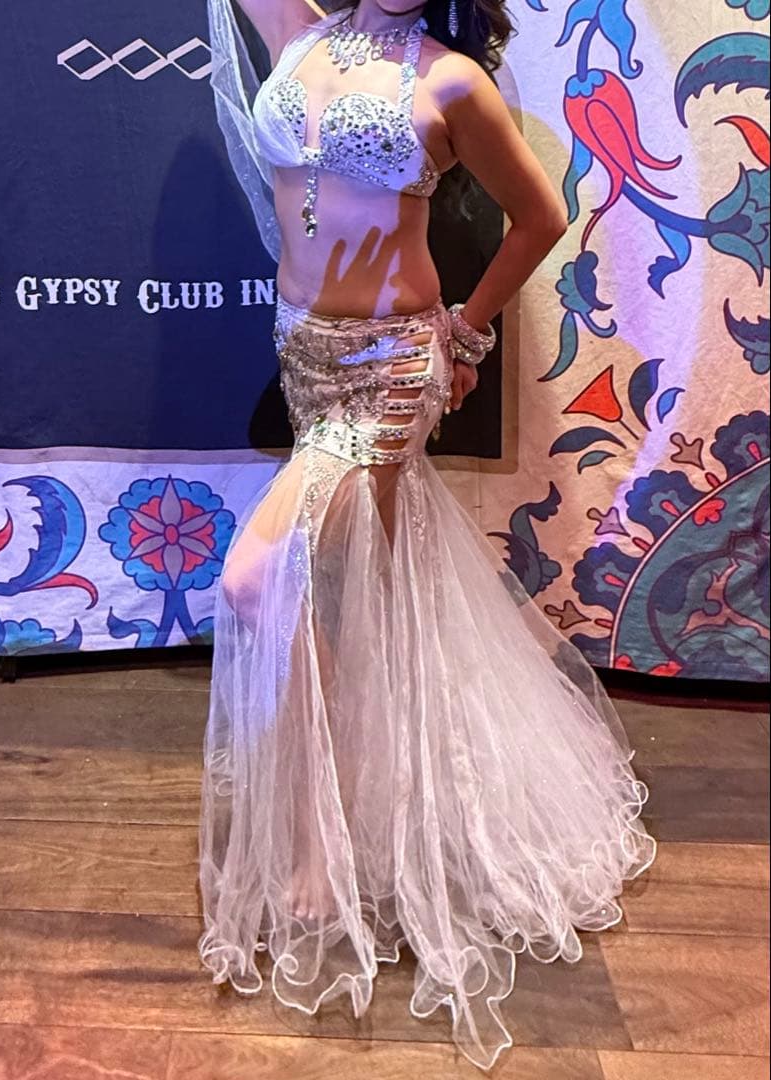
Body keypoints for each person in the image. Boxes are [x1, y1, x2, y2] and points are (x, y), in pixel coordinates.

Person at [197, 0, 658, 1069]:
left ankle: (317, 841)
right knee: (341, 587)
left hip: (390, 367)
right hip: (303, 351)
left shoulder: (452, 81)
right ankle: (353, 812)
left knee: (258, 579)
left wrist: (467, 328)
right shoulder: (301, 31)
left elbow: (538, 215)